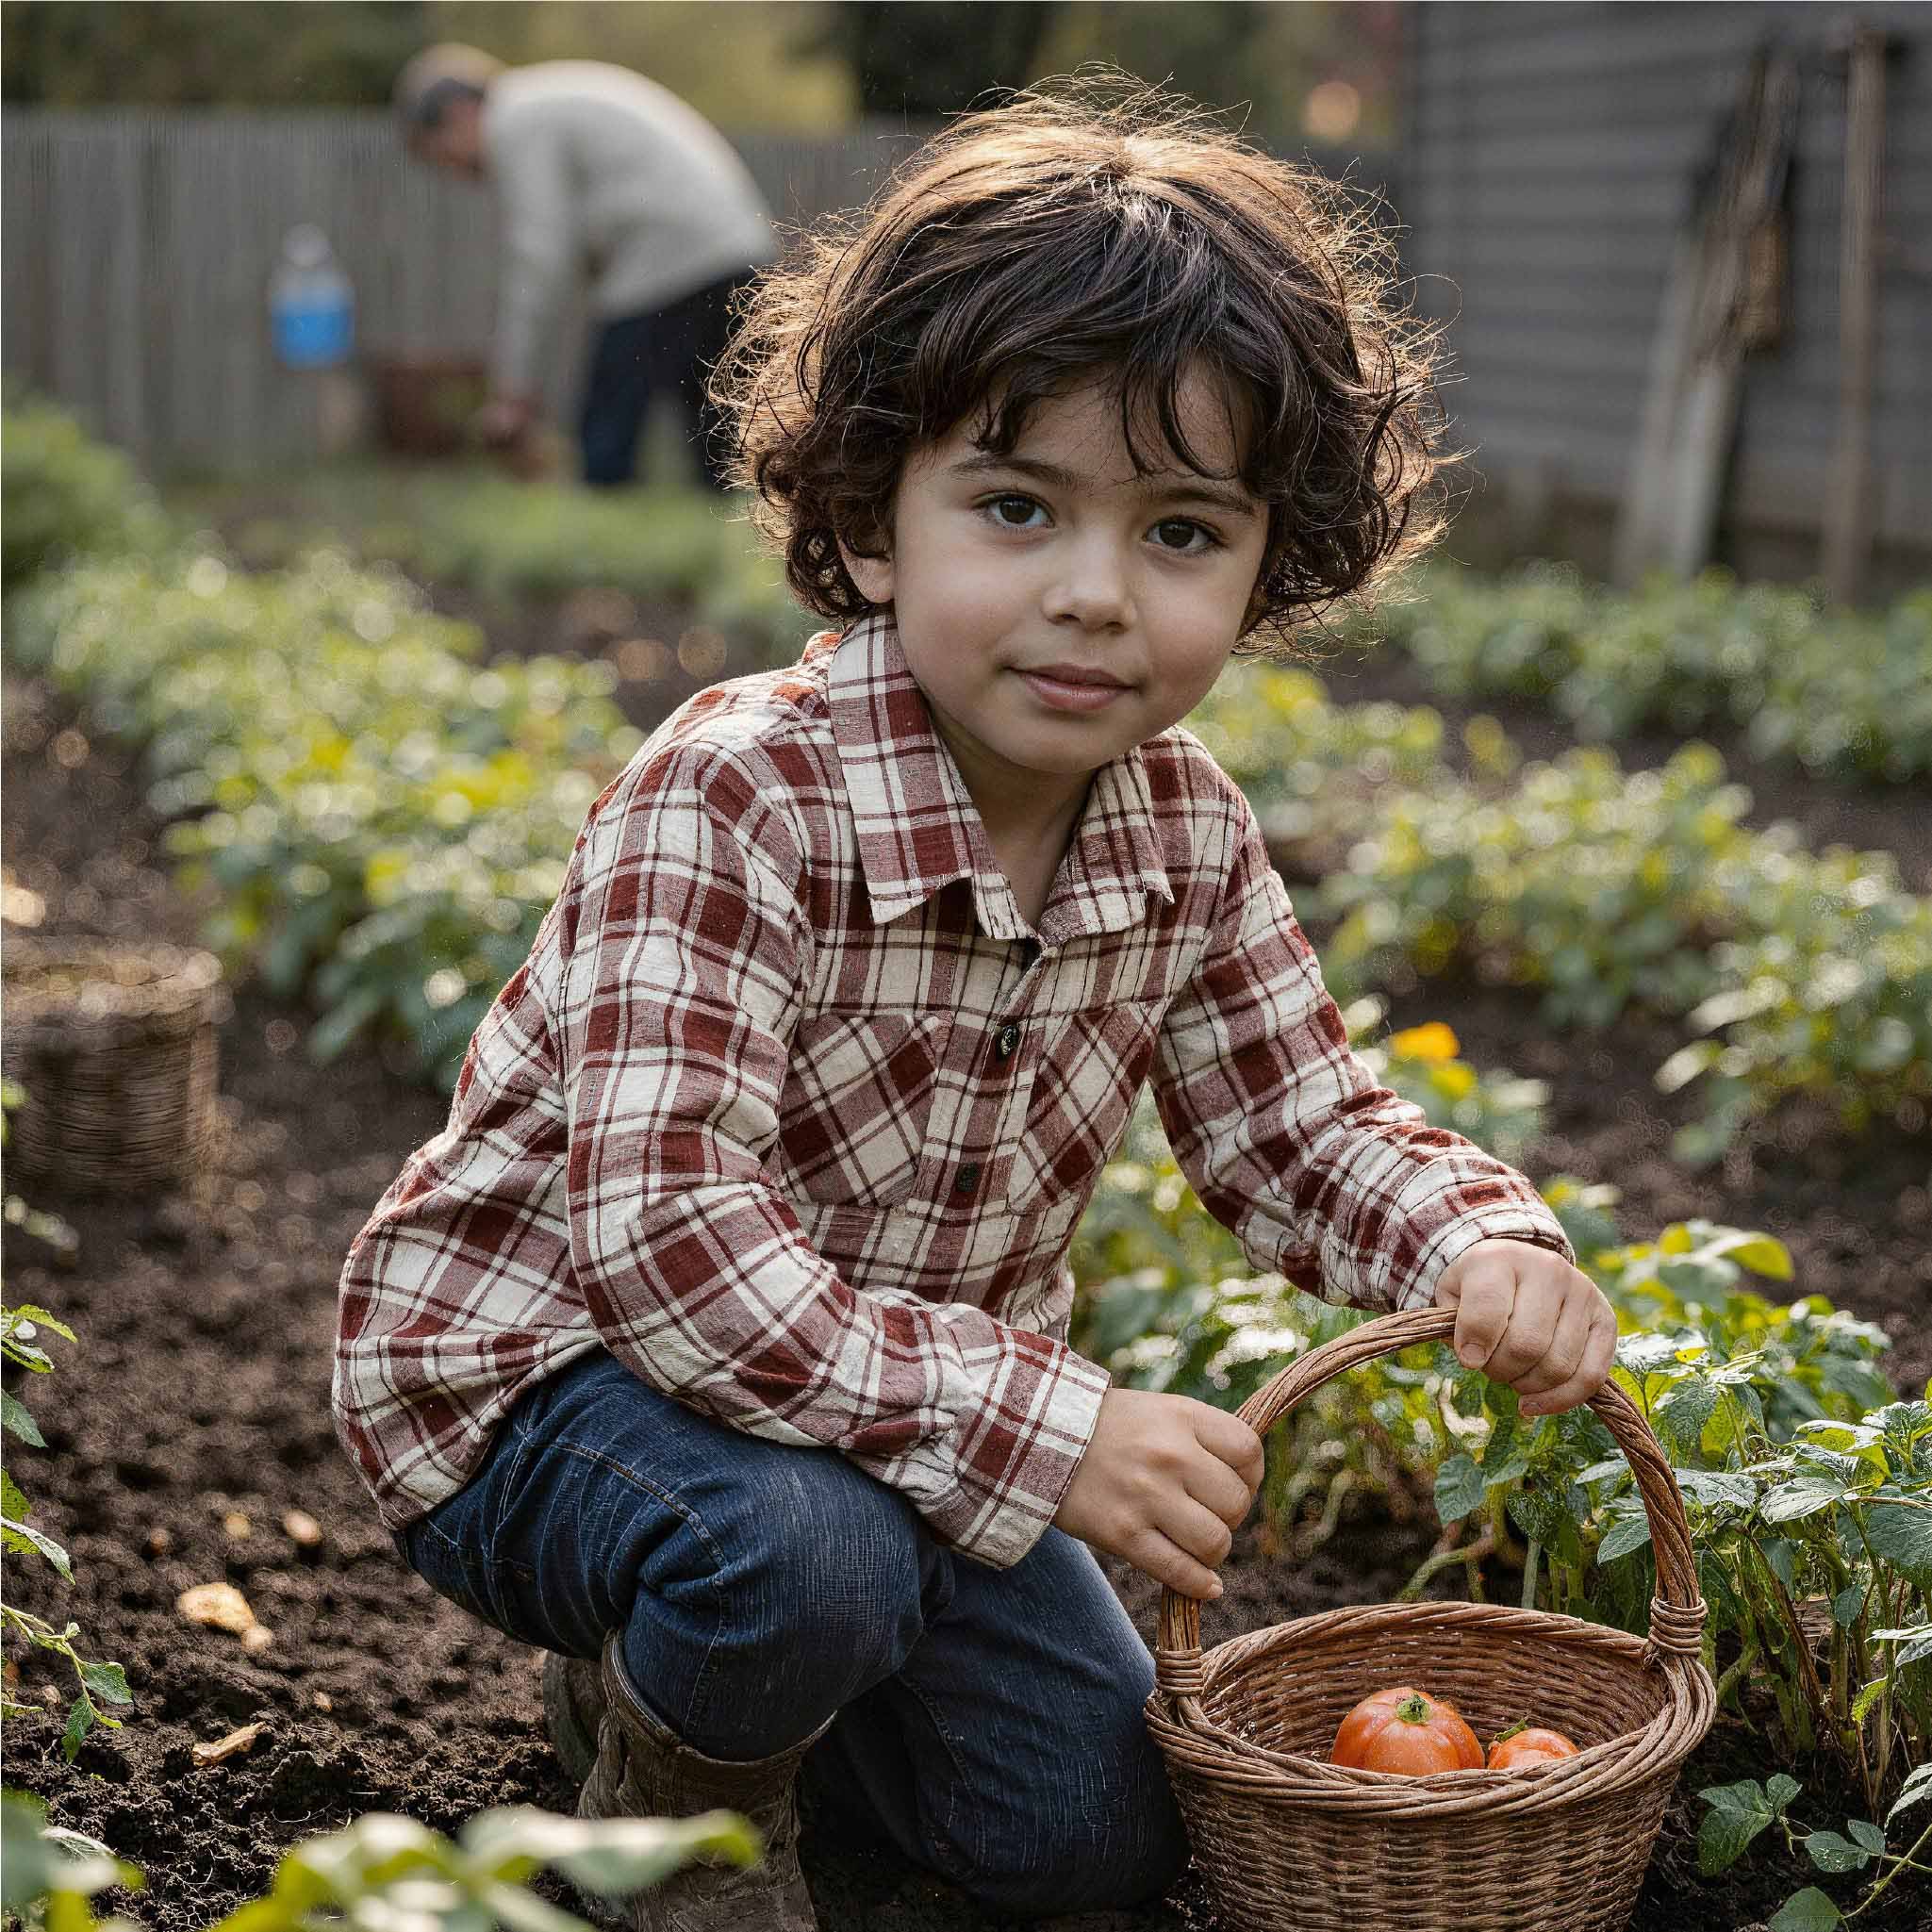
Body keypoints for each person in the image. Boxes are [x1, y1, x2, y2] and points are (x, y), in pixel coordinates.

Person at [334, 78, 1621, 1932]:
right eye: (1014, 507)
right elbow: (673, 1239)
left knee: (1087, 1839)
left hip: (894, 1416)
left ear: (1269, 566)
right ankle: (666, 1822)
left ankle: (735, 1682)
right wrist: (1058, 1429)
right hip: (549, 1385)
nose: (1092, 596)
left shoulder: (1176, 829)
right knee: (795, 1550)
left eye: (1180, 530)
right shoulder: (738, 792)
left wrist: (1476, 1236)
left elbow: (1297, 1121)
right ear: (868, 524)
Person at [392, 43, 775, 488]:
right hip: (731, 248)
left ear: (459, 113)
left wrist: (513, 391)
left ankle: (599, 539)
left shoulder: (515, 122)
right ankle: (723, 545)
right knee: (723, 437)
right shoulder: (543, 99)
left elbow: (540, 256)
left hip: (676, 258)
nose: (455, 173)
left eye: (441, 155)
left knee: (606, 436)